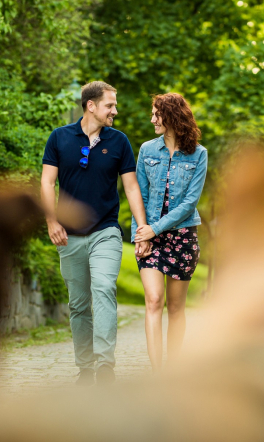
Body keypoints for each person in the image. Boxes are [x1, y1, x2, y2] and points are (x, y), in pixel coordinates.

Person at [41, 81, 151, 386]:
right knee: (78, 303)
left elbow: (130, 186)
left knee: (103, 289)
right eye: (110, 105)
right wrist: (52, 222)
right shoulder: (60, 138)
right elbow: (47, 183)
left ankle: (105, 365)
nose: (115, 110)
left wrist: (141, 228)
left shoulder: (119, 142)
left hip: (106, 231)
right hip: (69, 236)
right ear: (91, 106)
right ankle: (85, 367)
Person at [132, 93, 208, 372]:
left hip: (182, 236)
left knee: (175, 308)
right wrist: (140, 235)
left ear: (172, 116)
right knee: (153, 300)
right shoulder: (147, 150)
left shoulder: (199, 154)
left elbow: (190, 203)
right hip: (149, 235)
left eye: (156, 114)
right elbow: (137, 195)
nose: (152, 119)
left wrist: (155, 229)